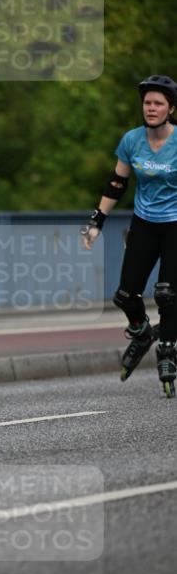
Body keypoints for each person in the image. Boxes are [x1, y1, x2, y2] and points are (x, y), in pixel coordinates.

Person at [80, 74, 177, 398]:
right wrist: (97, 220)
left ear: (171, 108)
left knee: (166, 293)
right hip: (144, 223)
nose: (151, 108)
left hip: (175, 224)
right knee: (125, 295)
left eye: (158, 103)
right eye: (147, 103)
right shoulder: (131, 140)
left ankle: (167, 350)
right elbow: (116, 183)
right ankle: (141, 332)